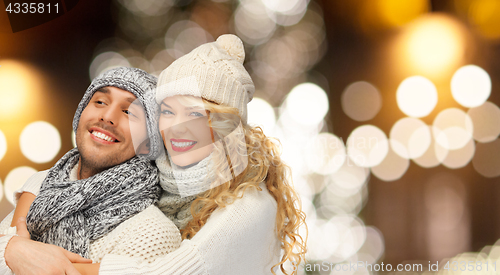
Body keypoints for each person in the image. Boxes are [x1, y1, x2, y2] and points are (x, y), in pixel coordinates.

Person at [2, 34, 307, 275]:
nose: (177, 128)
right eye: (168, 112)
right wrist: (16, 240)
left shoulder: (249, 205)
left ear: (226, 125)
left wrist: (28, 255)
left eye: (196, 114)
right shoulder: (163, 179)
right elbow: (63, 180)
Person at [0, 67, 182, 275]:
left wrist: (13, 250)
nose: (107, 116)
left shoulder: (153, 234)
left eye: (129, 112)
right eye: (100, 102)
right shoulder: (41, 186)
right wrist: (11, 250)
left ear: (149, 143)